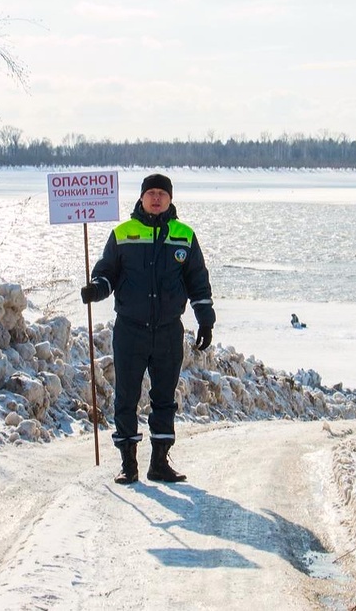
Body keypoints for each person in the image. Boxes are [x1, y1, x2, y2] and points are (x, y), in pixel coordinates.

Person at [80, 173, 215, 484]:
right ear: (141, 198)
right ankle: (128, 463)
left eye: (162, 193)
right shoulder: (123, 233)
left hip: (168, 330)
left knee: (164, 397)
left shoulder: (184, 235)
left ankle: (159, 462)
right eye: (151, 193)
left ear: (170, 198)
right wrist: (95, 290)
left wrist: (205, 318)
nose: (156, 198)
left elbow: (198, 281)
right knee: (126, 396)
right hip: (130, 330)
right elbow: (106, 274)